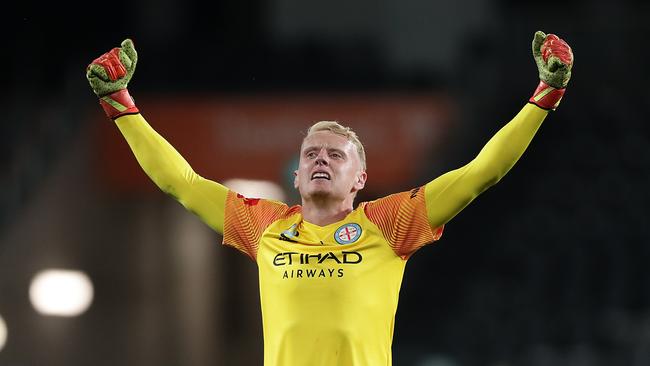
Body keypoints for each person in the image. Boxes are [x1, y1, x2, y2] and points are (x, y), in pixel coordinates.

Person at [86, 30, 573, 366]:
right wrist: (120, 104)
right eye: (312, 153)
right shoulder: (264, 226)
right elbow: (184, 184)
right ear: (297, 176)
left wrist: (545, 94)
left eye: (336, 155)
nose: (321, 159)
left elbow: (480, 173)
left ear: (360, 177)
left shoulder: (391, 223)